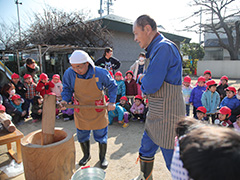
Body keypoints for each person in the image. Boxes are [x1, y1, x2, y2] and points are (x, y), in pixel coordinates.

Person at [132, 15, 185, 179]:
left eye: (136, 33)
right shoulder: (155, 48)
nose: (135, 39)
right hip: (156, 111)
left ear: (147, 29)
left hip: (169, 113)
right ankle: (145, 177)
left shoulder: (163, 48)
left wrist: (141, 79)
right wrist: (145, 78)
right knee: (146, 147)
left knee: (173, 160)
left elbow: (150, 85)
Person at [60, 50, 117, 169]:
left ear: (87, 63)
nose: (76, 70)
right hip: (81, 108)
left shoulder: (100, 72)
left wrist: (112, 101)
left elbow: (112, 85)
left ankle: (102, 158)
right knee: (82, 134)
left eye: (79, 67)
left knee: (101, 134)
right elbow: (67, 88)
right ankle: (86, 155)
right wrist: (65, 99)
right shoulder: (69, 73)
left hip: (98, 108)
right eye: (73, 67)